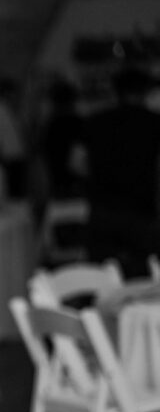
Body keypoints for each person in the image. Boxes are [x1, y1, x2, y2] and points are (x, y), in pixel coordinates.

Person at [83, 66, 160, 276]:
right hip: (140, 211)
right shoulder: (153, 122)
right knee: (142, 279)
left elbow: (77, 164)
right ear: (144, 92)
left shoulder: (96, 121)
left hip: (103, 208)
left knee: (101, 277)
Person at [0, 76, 29, 198]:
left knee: (18, 192)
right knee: (10, 194)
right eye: (13, 93)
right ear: (6, 93)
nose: (16, 96)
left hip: (16, 159)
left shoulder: (10, 111)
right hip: (6, 160)